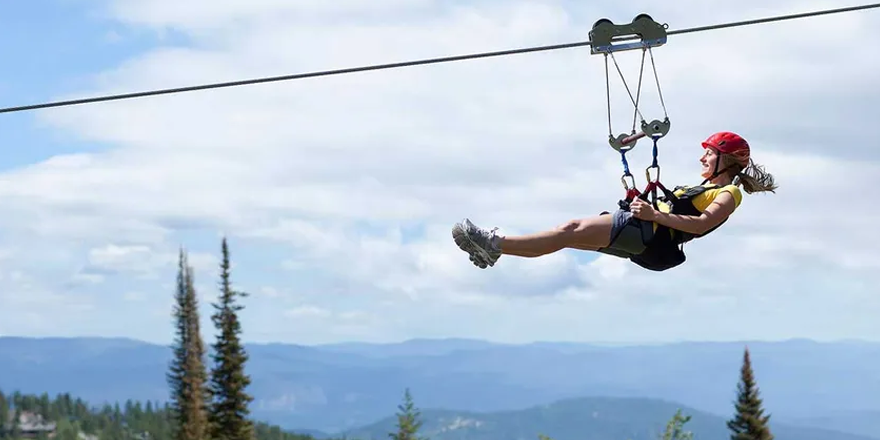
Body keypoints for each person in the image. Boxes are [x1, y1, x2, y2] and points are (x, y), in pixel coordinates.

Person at [451, 131, 778, 270]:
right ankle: (497, 249)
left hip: (649, 232)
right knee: (567, 235)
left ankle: (495, 244)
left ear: (727, 161)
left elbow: (703, 224)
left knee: (570, 228)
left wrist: (655, 214)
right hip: (647, 238)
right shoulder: (706, 188)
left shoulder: (729, 193)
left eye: (709, 154)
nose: (702, 159)